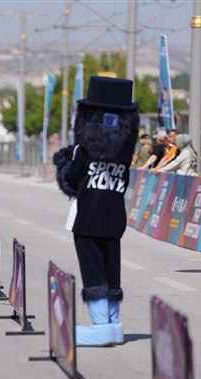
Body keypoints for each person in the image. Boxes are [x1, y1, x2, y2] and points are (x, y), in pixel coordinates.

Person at [54, 76, 139, 346]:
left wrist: (62, 163)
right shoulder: (124, 155)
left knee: (93, 271)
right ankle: (113, 323)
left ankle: (101, 326)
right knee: (111, 270)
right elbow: (123, 182)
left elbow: (70, 181)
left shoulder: (84, 151)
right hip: (114, 220)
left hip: (88, 219)